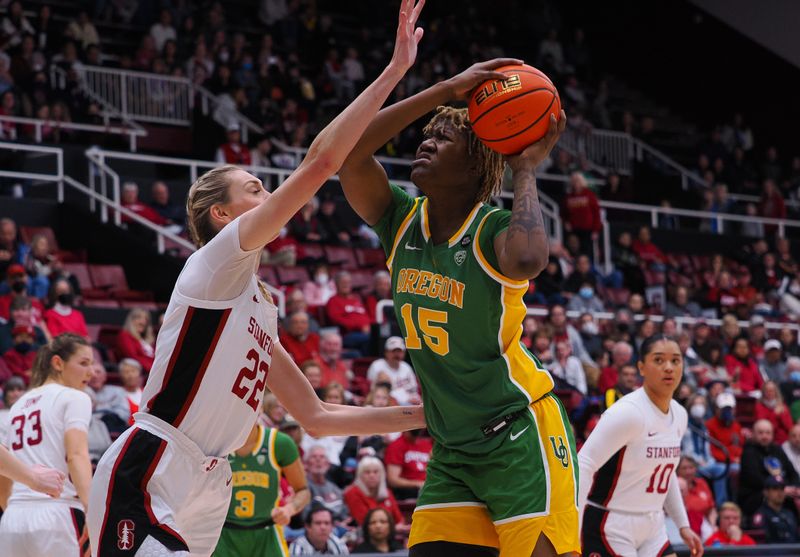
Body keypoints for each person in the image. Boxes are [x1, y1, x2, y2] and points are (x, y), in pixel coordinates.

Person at [87, 4, 427, 554]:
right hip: (156, 460)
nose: (268, 194)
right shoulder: (216, 264)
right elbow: (320, 163)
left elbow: (315, 416)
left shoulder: (259, 306)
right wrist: (392, 71)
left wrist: (421, 415)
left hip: (209, 482)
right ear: (223, 216)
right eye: (254, 189)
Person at [339, 54, 580, 556]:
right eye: (427, 136)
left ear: (476, 164)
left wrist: (525, 169)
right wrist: (442, 90)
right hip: (454, 450)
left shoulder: (494, 230)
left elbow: (532, 258)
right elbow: (347, 155)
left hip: (519, 436)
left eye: (443, 138)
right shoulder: (399, 219)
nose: (425, 142)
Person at [578, 336, 703, 557]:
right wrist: (572, 530)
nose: (668, 368)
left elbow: (666, 472)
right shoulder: (628, 412)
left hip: (653, 524)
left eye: (675, 361)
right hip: (609, 523)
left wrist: (682, 524)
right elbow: (583, 464)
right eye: (658, 360)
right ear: (641, 367)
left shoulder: (680, 414)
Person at [0, 333, 94, 556]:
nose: (90, 372)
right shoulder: (75, 397)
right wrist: (93, 510)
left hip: (13, 518)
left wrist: (10, 508)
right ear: (58, 363)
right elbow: (76, 455)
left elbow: (3, 473)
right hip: (58, 515)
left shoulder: (18, 405)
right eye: (83, 363)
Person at [213, 423, 310, 557]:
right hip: (223, 534)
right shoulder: (215, 442)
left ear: (260, 409)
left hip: (267, 532)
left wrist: (289, 509)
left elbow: (303, 491)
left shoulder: (279, 443)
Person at [738, 419, 799, 518]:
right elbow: (755, 480)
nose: (764, 436)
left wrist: (795, 488)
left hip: (783, 492)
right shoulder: (748, 453)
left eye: (768, 433)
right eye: (760, 433)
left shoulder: (777, 449)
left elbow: (792, 472)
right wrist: (782, 489)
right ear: (753, 434)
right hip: (756, 496)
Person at [343, 456, 405, 529]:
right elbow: (365, 522)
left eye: (375, 472)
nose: (372, 475)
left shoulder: (387, 492)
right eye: (367, 472)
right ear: (360, 475)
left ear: (382, 475)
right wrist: (393, 528)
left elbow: (399, 519)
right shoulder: (352, 492)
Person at [366, 336, 420, 405]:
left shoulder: (406, 367)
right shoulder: (377, 365)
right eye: (393, 351)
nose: (397, 354)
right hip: (387, 403)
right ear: (386, 352)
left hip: (410, 402)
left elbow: (414, 389)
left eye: (399, 351)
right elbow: (371, 390)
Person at [752, 476, 799, 543]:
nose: (780, 493)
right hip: (773, 552)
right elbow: (762, 542)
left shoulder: (789, 514)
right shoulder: (761, 515)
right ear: (766, 492)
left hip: (793, 552)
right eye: (775, 489)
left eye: (782, 489)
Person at [115, 307, 156, 372]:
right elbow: (132, 356)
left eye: (146, 319)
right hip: (139, 371)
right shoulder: (125, 335)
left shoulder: (148, 339)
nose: (143, 322)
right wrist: (153, 367)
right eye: (139, 318)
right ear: (131, 320)